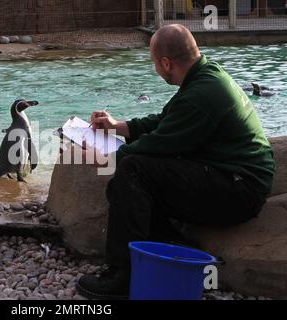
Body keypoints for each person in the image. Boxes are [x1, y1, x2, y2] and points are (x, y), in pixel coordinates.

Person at [75, 24, 275, 300]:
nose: (156, 69)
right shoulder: (204, 76)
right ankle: (170, 243)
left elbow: (159, 144)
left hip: (239, 191)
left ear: (166, 63)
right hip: (232, 179)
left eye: (154, 63)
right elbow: (165, 121)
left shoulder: (201, 94)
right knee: (138, 171)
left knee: (132, 170)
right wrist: (118, 126)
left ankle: (122, 275)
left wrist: (105, 158)